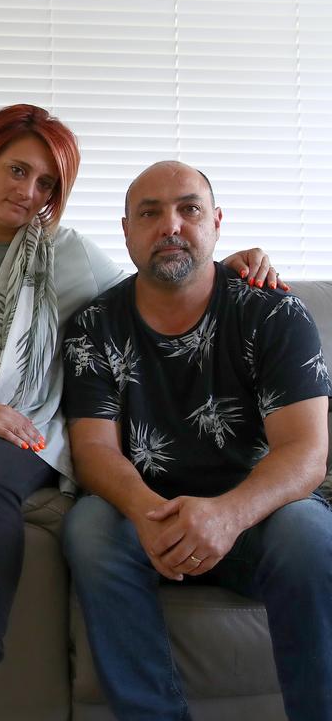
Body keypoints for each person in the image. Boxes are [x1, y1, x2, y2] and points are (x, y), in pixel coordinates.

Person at [0, 104, 284, 721]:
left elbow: (154, 286)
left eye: (47, 184)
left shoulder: (70, 256)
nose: (29, 192)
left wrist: (223, 267)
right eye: (17, 171)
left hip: (20, 430)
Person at [61, 161, 332, 721]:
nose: (171, 226)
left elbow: (306, 452)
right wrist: (146, 511)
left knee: (309, 531)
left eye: (189, 209)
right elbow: (93, 450)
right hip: (148, 515)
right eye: (150, 213)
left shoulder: (273, 313)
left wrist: (227, 516)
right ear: (127, 231)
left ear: (216, 223)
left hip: (259, 514)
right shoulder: (94, 326)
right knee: (88, 526)